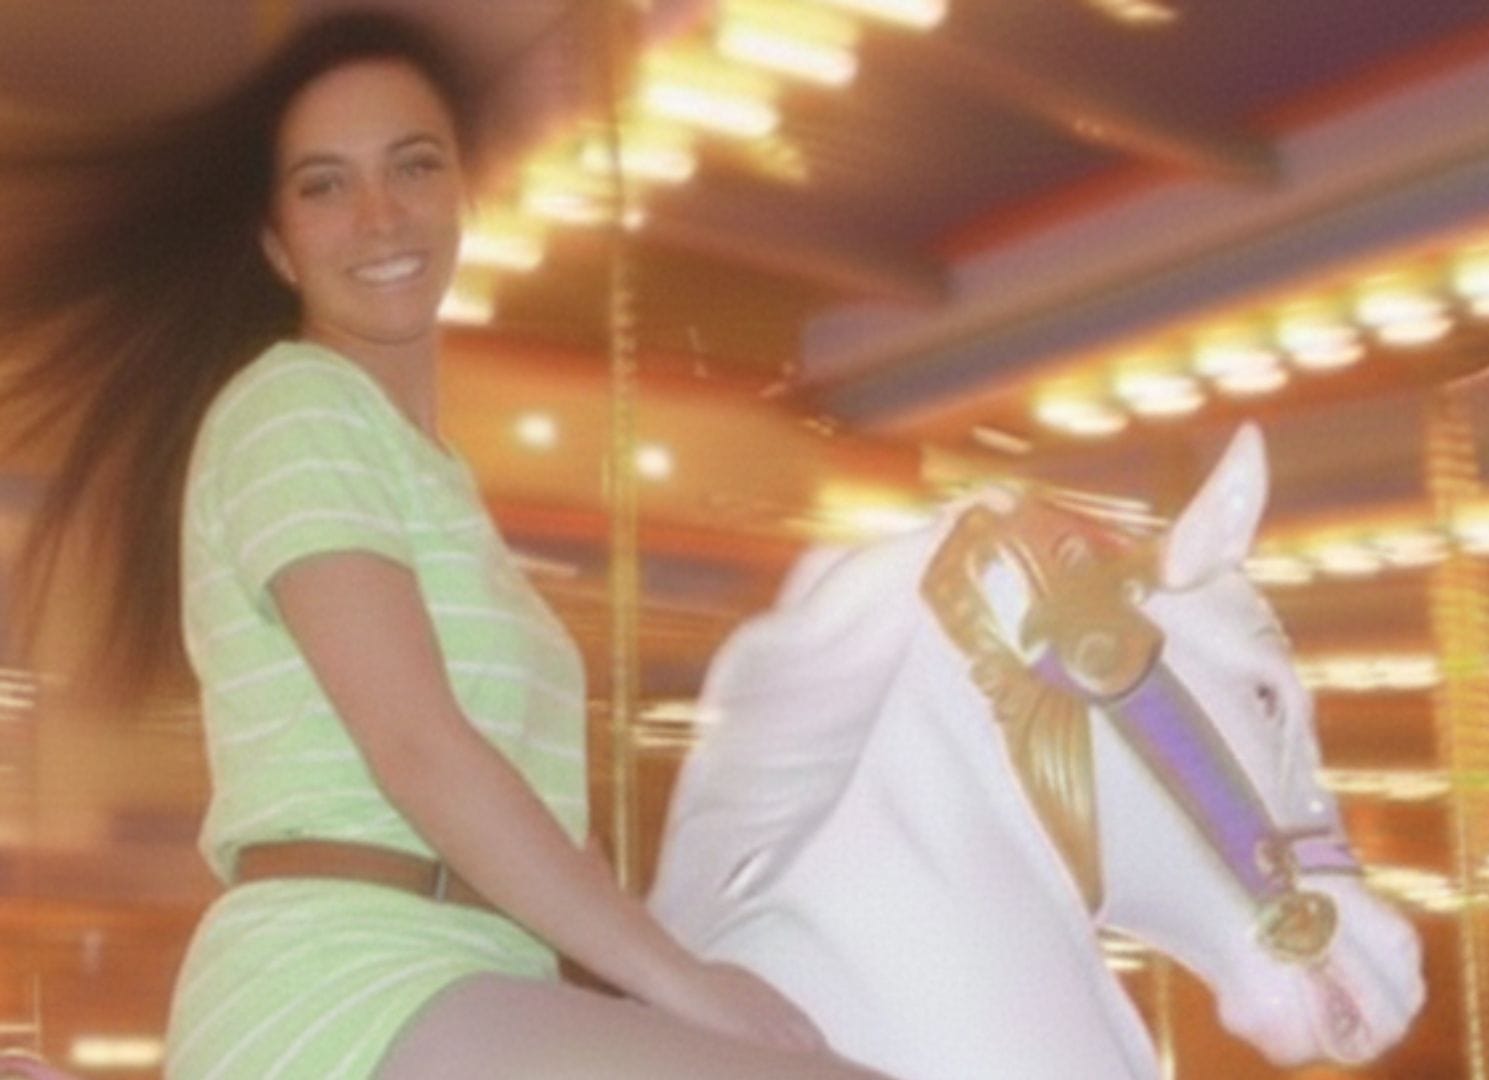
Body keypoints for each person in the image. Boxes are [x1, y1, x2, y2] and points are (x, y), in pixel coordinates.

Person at [1, 10, 882, 1079]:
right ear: (278, 244)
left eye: (412, 166)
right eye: (325, 185)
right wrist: (680, 982)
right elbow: (417, 746)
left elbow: (539, 814)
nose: (378, 214)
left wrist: (658, 964)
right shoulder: (294, 406)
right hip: (345, 976)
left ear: (462, 193)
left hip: (484, 972)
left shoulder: (439, 483)